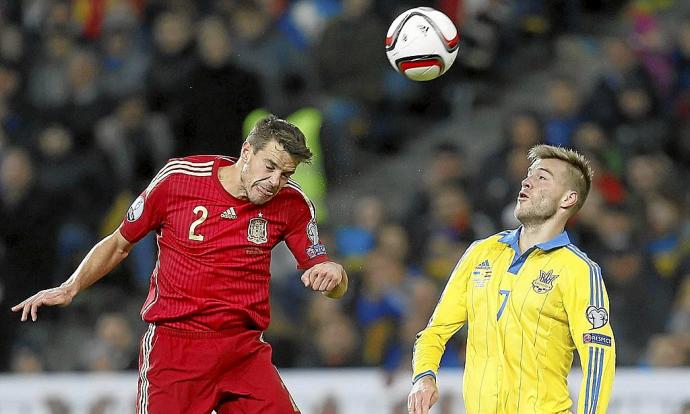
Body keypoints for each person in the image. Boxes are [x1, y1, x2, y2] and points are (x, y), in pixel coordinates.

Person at [11, 115, 348, 414]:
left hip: (242, 351)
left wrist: (335, 276)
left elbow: (325, 274)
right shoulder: (180, 179)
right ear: (247, 152)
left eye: (285, 174)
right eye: (270, 167)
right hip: (176, 349)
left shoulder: (292, 203)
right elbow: (118, 243)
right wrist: (71, 287)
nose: (275, 181)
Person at [408, 145, 615, 414]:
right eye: (529, 175)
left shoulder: (578, 270)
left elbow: (598, 355)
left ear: (568, 198)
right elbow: (435, 332)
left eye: (542, 177)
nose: (527, 181)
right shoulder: (480, 253)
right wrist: (423, 377)